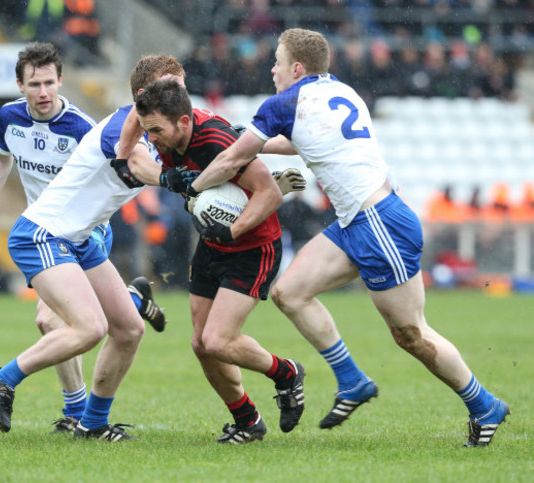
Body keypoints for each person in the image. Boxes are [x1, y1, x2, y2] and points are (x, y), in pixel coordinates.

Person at [189, 28, 509, 447]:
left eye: (278, 61)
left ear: (296, 68)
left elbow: (234, 157)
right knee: (290, 292)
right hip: (359, 220)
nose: (272, 69)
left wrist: (192, 187)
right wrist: (250, 137)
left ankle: (485, 405)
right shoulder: (339, 90)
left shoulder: (285, 102)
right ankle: (352, 380)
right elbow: (296, 143)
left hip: (379, 224)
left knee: (411, 333)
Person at [0, 42, 166, 434]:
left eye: (49, 82)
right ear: (20, 86)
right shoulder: (10, 117)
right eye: (34, 84)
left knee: (54, 319)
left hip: (85, 231)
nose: (43, 92)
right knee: (60, 323)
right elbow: (0, 155)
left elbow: (102, 183)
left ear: (61, 80)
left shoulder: (81, 127)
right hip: (46, 233)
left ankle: (74, 409)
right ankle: (81, 409)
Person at [123, 78, 306, 444]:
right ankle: (247, 421)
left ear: (184, 123)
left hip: (253, 248)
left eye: (156, 131)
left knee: (219, 341)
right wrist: (167, 178)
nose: (152, 139)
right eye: (147, 130)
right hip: (211, 245)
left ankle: (286, 373)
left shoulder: (214, 141)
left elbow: (269, 193)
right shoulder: (167, 136)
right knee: (200, 344)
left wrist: (233, 230)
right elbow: (131, 160)